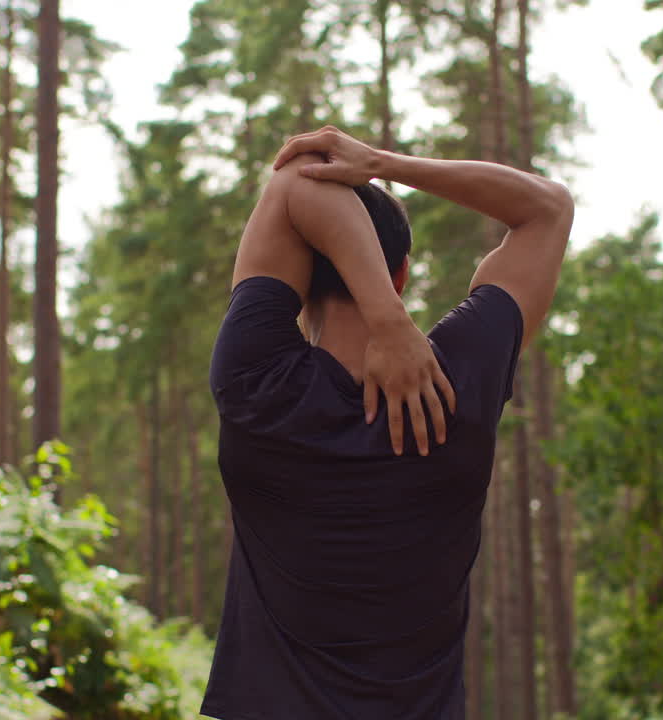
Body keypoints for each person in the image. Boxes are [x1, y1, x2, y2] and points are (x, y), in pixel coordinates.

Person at [202, 126, 574, 720]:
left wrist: (384, 317)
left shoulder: (256, 381)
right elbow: (547, 208)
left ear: (296, 270)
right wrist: (382, 163)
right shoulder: (458, 383)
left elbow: (296, 183)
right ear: (401, 273)